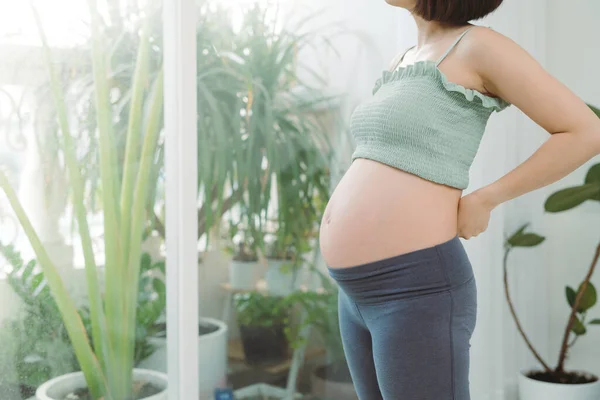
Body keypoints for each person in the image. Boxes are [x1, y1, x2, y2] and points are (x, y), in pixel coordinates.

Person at [318, 0, 600, 399]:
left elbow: (585, 131)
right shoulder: (406, 58)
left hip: (414, 288)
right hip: (355, 292)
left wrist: (487, 199)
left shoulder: (479, 47)